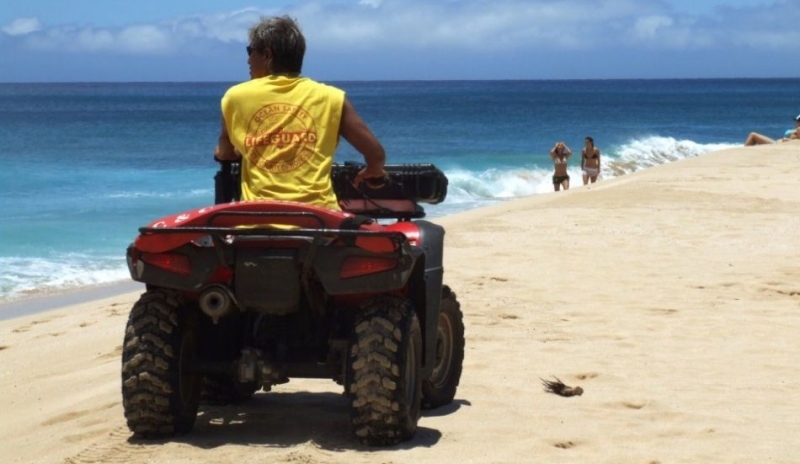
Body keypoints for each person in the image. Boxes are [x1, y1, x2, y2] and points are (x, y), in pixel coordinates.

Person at [214, 15, 386, 210]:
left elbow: (226, 152)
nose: (248, 60)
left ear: (267, 55)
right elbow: (376, 154)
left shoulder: (236, 97)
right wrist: (373, 170)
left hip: (258, 219)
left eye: (250, 51)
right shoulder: (331, 97)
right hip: (320, 221)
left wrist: (230, 152)